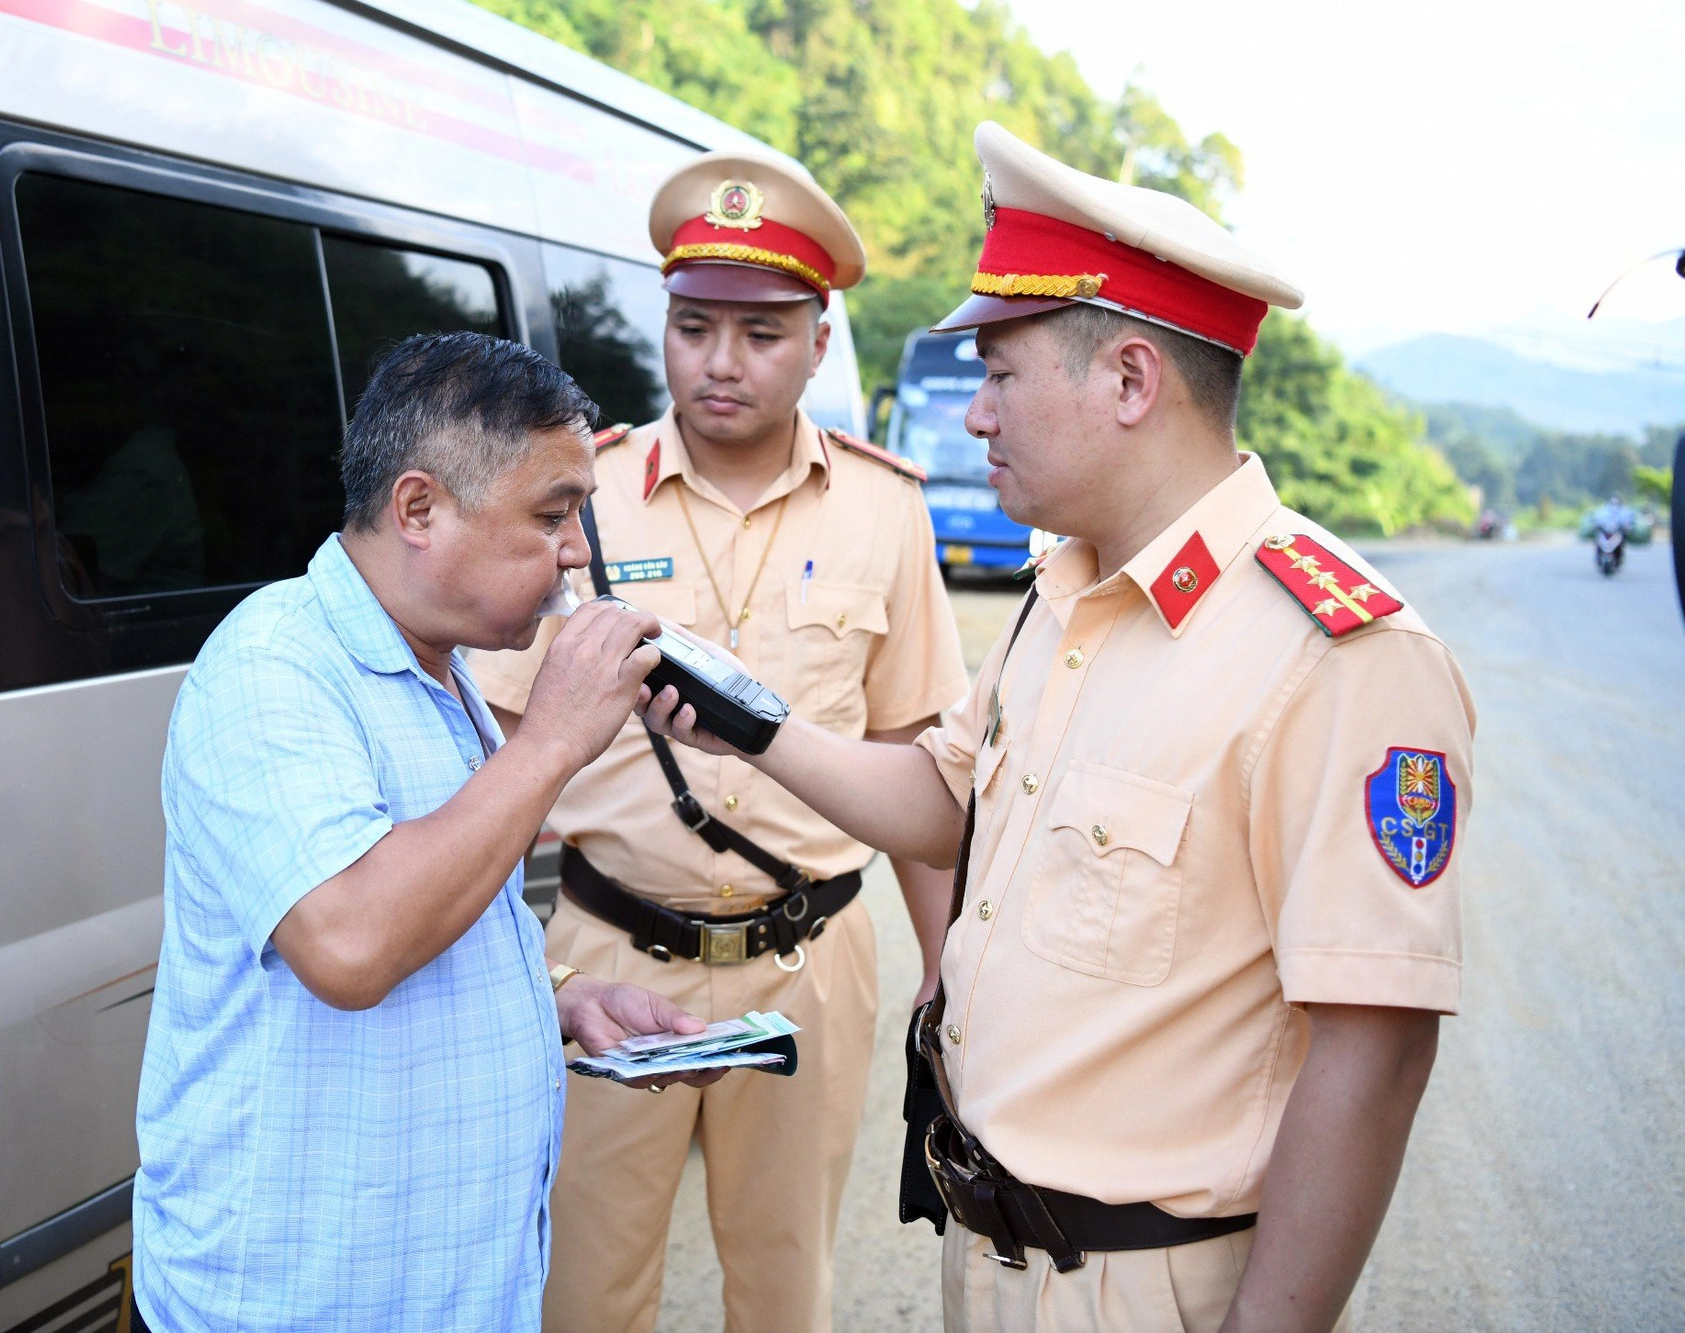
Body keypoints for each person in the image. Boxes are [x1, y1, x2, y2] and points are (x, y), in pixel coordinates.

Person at [645, 123, 1476, 1333]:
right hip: (988, 1259)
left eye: (1000, 373)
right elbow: (942, 804)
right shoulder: (1065, 589)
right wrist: (751, 727)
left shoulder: (1339, 655)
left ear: (1128, 380)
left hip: (1149, 1288)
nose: (973, 416)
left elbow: (1377, 1048)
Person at [132, 332, 725, 1332]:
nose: (578, 549)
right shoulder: (272, 666)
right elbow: (352, 942)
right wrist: (548, 743)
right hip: (298, 1306)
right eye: (550, 515)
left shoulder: (439, 669)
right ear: (417, 508)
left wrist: (566, 998)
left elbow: (440, 891)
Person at [470, 149, 970, 1333]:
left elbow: (916, 765)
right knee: (583, 1290)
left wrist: (952, 974)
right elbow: (488, 750)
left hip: (810, 963)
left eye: (759, 333)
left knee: (784, 1285)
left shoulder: (884, 508)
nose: (721, 362)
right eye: (693, 328)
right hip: (603, 955)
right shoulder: (578, 496)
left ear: (816, 339)